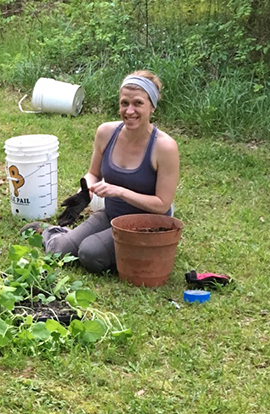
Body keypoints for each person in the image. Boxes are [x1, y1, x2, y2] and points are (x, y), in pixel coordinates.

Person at [27, 70, 180, 273]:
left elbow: (162, 205)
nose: (130, 110)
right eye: (124, 103)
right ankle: (54, 233)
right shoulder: (107, 133)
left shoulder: (164, 147)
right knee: (60, 251)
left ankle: (141, 252)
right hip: (112, 215)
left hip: (148, 225)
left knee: (90, 254)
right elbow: (93, 173)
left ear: (152, 106)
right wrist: (86, 190)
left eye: (138, 103)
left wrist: (119, 191)